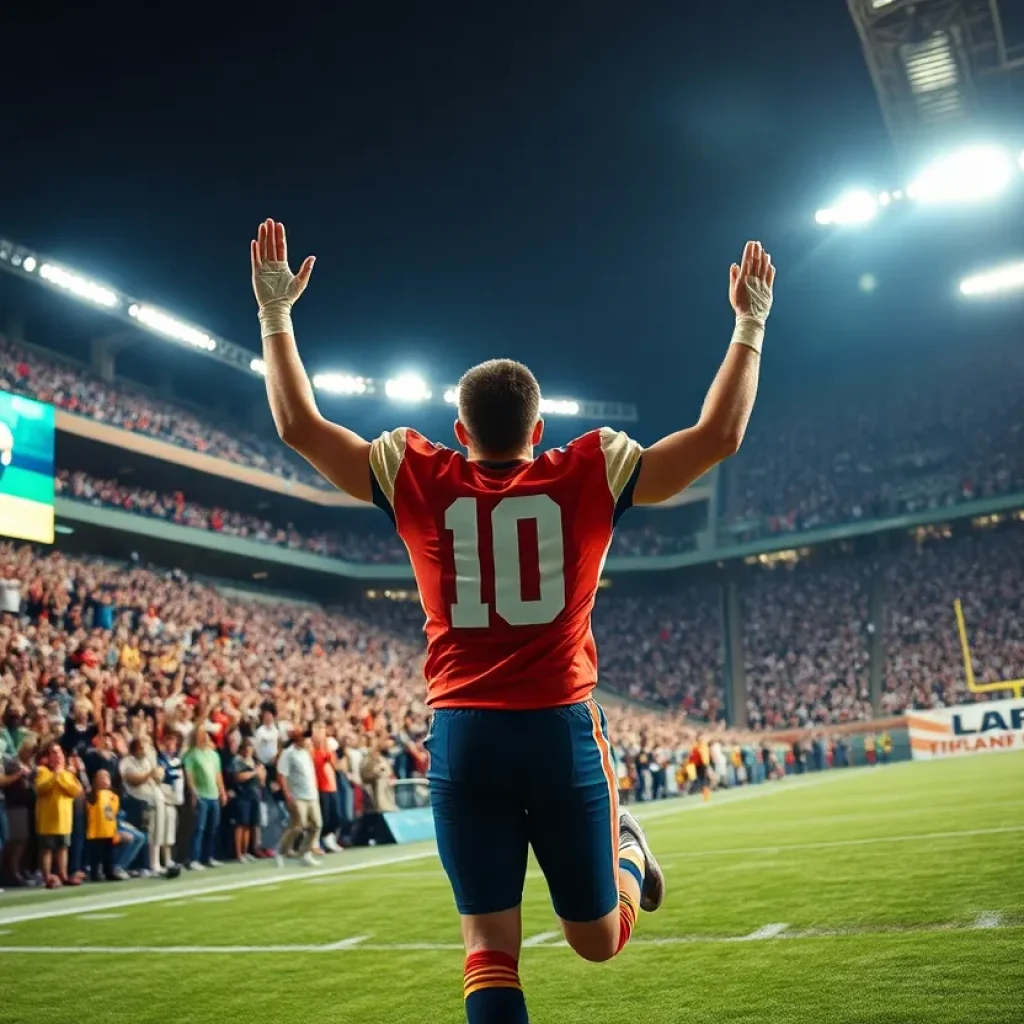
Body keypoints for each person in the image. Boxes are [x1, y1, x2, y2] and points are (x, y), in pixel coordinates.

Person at [253, 219, 775, 1022]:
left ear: (460, 432)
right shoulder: (590, 466)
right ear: (540, 431)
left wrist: (275, 317)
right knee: (595, 942)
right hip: (557, 727)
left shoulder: (416, 470)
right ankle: (626, 853)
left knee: (489, 948)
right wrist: (750, 324)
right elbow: (720, 436)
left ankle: (629, 848)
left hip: (465, 733)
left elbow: (298, 426)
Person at [275, 729, 321, 867]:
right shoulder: (288, 754)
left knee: (316, 825)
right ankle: (281, 852)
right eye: (305, 738)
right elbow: (282, 774)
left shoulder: (306, 753)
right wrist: (287, 794)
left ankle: (305, 853)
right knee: (297, 826)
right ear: (298, 739)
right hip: (298, 796)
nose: (308, 740)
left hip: (312, 795)